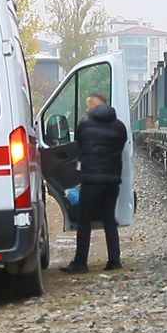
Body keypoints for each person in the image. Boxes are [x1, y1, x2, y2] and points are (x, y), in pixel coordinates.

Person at [60, 93, 129, 273]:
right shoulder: (120, 126)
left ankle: (80, 263)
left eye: (88, 105)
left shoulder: (85, 124)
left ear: (93, 105)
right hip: (112, 180)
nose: (87, 109)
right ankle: (114, 260)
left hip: (91, 180)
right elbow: (120, 148)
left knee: (84, 221)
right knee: (108, 219)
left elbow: (79, 147)